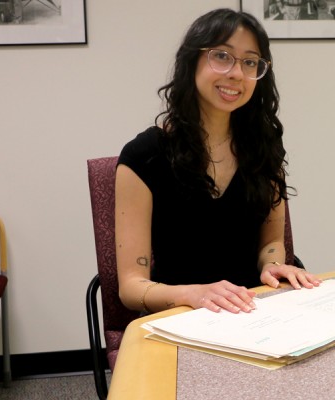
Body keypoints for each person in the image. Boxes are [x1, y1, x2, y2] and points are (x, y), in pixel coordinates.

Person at [115, 9, 320, 316]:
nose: (237, 73)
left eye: (250, 62)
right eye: (222, 56)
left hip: (256, 310)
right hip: (184, 314)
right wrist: (193, 294)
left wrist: (274, 265)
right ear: (192, 61)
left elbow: (272, 241)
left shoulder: (263, 146)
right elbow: (131, 286)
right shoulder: (144, 156)